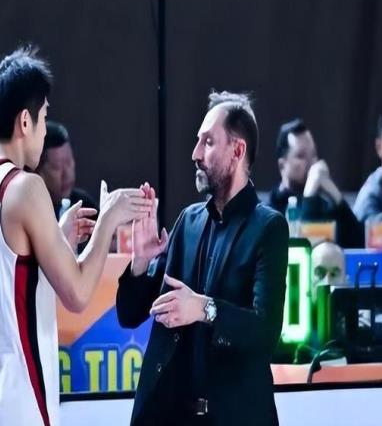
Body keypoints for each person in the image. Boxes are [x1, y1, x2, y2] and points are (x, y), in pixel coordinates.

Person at [0, 46, 152, 426]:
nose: (44, 130)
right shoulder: (25, 188)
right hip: (15, 407)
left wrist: (55, 237)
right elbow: (77, 294)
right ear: (25, 121)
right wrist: (108, 219)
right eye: (43, 117)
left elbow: (9, 275)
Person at [116, 91, 289, 426]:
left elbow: (266, 332)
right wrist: (140, 262)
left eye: (208, 142)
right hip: (174, 417)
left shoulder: (268, 227)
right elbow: (130, 314)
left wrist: (205, 309)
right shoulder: (188, 221)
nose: (195, 154)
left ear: (237, 151)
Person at [268, 118, 363, 248]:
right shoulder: (271, 211)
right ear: (282, 166)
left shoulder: (324, 205)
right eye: (301, 156)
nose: (311, 163)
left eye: (313, 155)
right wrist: (309, 196)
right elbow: (301, 247)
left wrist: (337, 197)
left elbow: (359, 245)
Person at [37, 120, 98, 220]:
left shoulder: (85, 205)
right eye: (57, 167)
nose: (67, 174)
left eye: (69, 162)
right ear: (38, 171)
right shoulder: (29, 213)